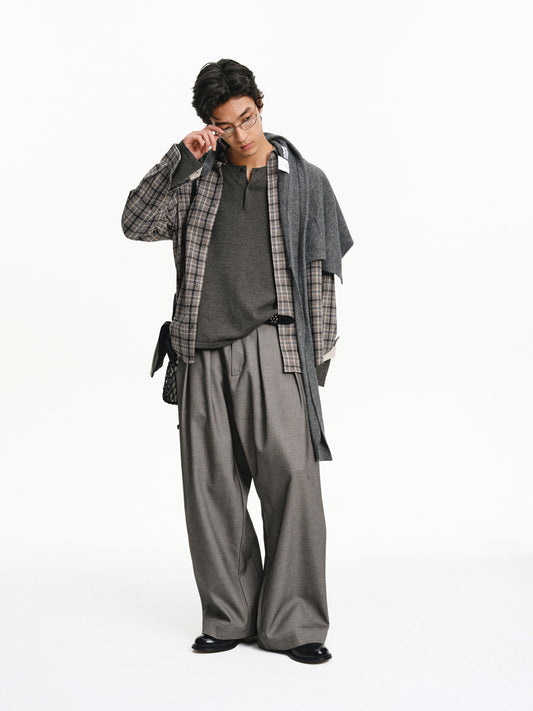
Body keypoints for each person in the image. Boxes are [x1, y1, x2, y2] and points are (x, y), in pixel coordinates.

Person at [121, 58, 354, 664]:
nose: (241, 133)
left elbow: (321, 274)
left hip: (276, 346)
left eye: (247, 118)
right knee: (212, 491)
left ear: (260, 106)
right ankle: (228, 616)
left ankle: (295, 625)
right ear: (210, 125)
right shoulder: (196, 181)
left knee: (293, 484)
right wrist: (181, 157)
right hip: (200, 349)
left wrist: (316, 359)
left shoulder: (305, 182)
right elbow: (134, 223)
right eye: (225, 126)